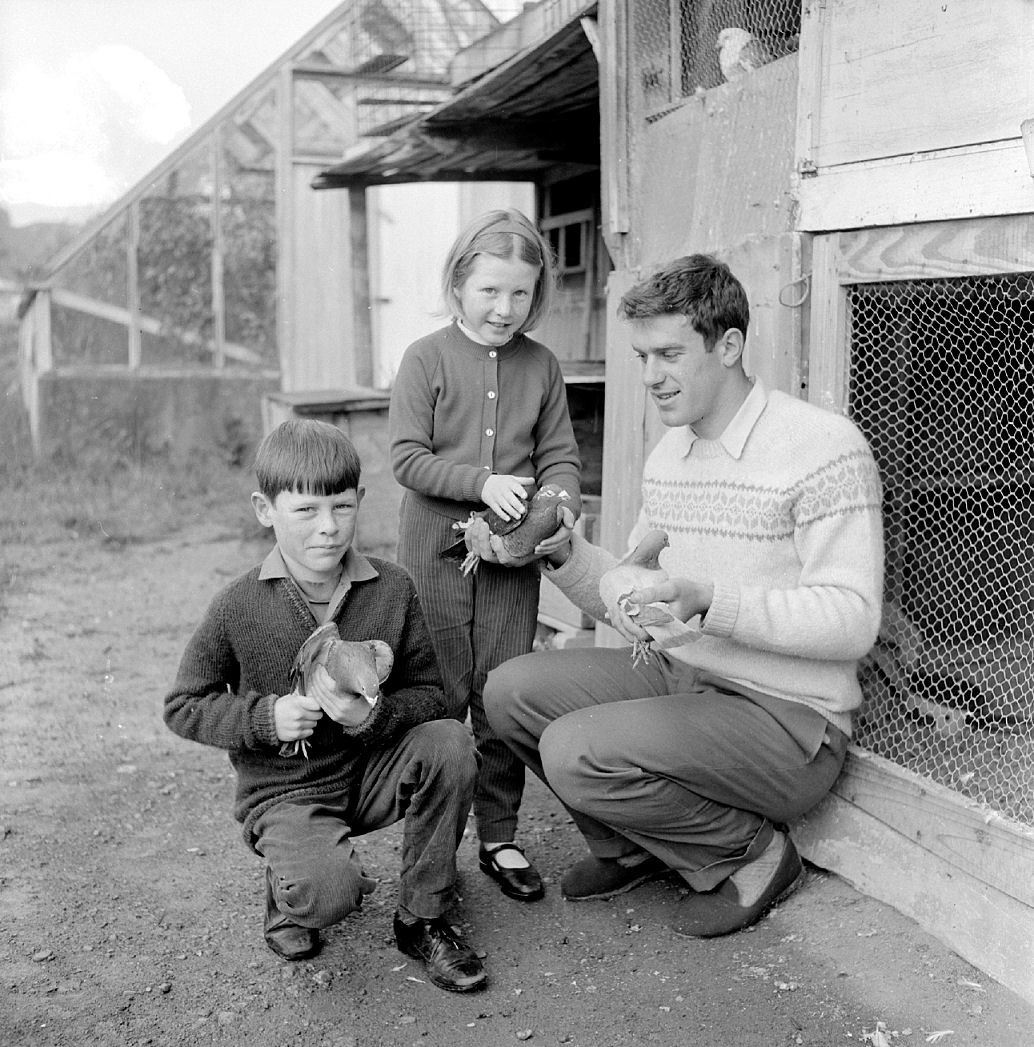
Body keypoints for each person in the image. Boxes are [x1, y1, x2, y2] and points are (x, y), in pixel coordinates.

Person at [479, 254, 884, 938]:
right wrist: (568, 557)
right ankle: (632, 846)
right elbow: (636, 592)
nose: (650, 377)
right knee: (509, 691)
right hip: (684, 677)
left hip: (789, 719)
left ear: (728, 345)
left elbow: (853, 619)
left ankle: (752, 854)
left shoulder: (821, 446)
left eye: (668, 353)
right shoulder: (671, 455)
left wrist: (708, 599)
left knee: (577, 749)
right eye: (641, 355)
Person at [164, 419, 488, 992]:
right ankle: (293, 890)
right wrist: (265, 718)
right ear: (265, 509)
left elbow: (433, 696)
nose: (328, 529)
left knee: (450, 743)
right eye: (306, 511)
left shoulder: (392, 587)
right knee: (327, 895)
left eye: (341, 507)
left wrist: (376, 718)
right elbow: (184, 705)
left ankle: (425, 915)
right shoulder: (237, 605)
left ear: (361, 501)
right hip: (288, 791)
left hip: (370, 772)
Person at [389, 208, 582, 903]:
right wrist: (481, 482)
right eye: (490, 291)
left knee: (499, 695)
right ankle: (432, 838)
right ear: (458, 285)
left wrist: (557, 503)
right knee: (440, 697)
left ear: (538, 295)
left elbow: (560, 458)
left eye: (521, 294)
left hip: (509, 564)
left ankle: (499, 835)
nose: (505, 308)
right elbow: (407, 459)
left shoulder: (542, 366)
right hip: (434, 556)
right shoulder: (426, 358)